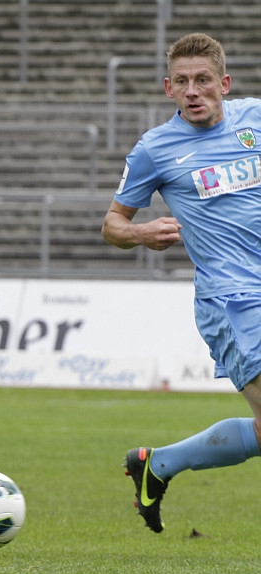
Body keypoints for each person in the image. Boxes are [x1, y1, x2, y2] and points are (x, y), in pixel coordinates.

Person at [103, 33, 261, 533]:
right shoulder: (155, 149)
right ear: (168, 88)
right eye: (182, 82)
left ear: (224, 84)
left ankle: (160, 463)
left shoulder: (255, 118)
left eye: (203, 80)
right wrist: (140, 233)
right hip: (231, 301)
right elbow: (112, 224)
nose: (193, 91)